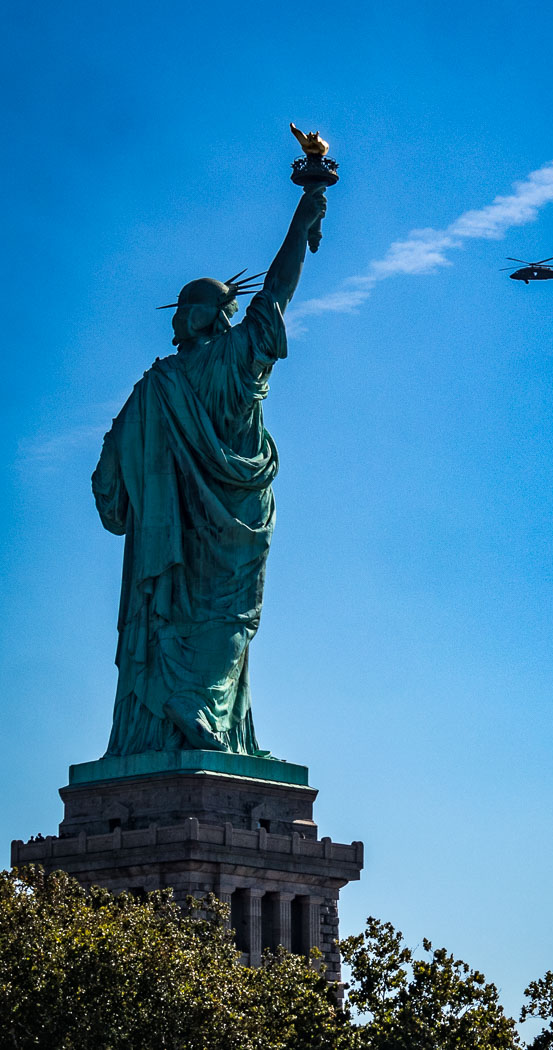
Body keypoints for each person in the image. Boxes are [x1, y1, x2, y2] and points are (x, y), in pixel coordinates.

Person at [92, 186, 327, 755]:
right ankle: (202, 712)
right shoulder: (238, 359)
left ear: (184, 320)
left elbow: (107, 481)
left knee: (179, 613)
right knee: (229, 619)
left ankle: (188, 713)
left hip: (170, 537)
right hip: (238, 519)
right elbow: (277, 292)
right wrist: (308, 209)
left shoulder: (155, 387)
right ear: (222, 319)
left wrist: (150, 506)